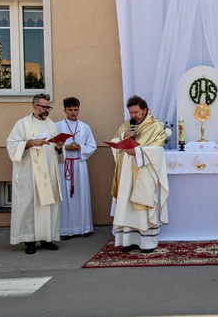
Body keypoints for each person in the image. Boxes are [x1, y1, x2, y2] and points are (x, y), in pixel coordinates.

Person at [7, 93, 64, 255]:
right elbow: (11, 145)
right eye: (44, 107)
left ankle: (47, 238)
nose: (46, 110)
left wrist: (59, 147)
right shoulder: (22, 124)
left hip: (49, 173)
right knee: (30, 206)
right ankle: (30, 240)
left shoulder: (52, 125)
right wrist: (31, 143)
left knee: (48, 206)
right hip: (30, 173)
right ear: (34, 106)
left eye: (49, 108)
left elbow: (56, 151)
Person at [110, 95, 169, 252]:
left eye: (136, 112)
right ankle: (128, 241)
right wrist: (123, 136)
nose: (133, 115)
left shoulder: (155, 126)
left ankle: (147, 243)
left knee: (142, 206)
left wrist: (137, 152)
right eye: (131, 112)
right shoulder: (127, 125)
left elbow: (158, 149)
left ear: (145, 110)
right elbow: (115, 141)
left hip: (144, 172)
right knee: (126, 205)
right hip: (126, 173)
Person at [55, 97, 97, 239]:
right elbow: (51, 145)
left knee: (81, 195)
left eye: (76, 109)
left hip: (79, 164)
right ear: (64, 110)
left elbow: (92, 146)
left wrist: (80, 147)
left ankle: (83, 228)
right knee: (64, 198)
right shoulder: (57, 126)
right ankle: (65, 230)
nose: (73, 112)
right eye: (70, 110)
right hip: (64, 165)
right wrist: (65, 147)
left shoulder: (85, 127)